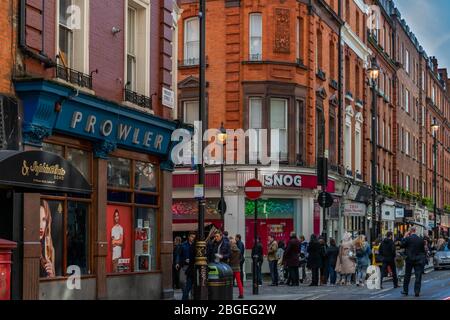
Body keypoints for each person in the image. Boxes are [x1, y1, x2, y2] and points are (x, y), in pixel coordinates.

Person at [401, 227, 426, 297]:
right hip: (418, 260)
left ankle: (405, 291)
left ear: (410, 231)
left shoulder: (408, 239)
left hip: (409, 259)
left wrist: (404, 236)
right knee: (418, 276)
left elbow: (402, 245)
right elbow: (423, 250)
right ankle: (417, 291)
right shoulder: (420, 239)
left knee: (407, 275)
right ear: (415, 231)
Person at [40, 200, 55, 278]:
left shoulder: (49, 249)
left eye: (43, 220)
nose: (41, 226)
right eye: (36, 219)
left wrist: (51, 275)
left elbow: (53, 285)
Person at [180, 232, 196, 300]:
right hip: (185, 266)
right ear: (189, 237)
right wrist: (183, 261)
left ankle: (187, 296)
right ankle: (185, 295)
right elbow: (180, 255)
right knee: (182, 282)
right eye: (192, 237)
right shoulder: (183, 245)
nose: (193, 238)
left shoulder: (195, 246)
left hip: (192, 267)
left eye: (194, 237)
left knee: (190, 285)